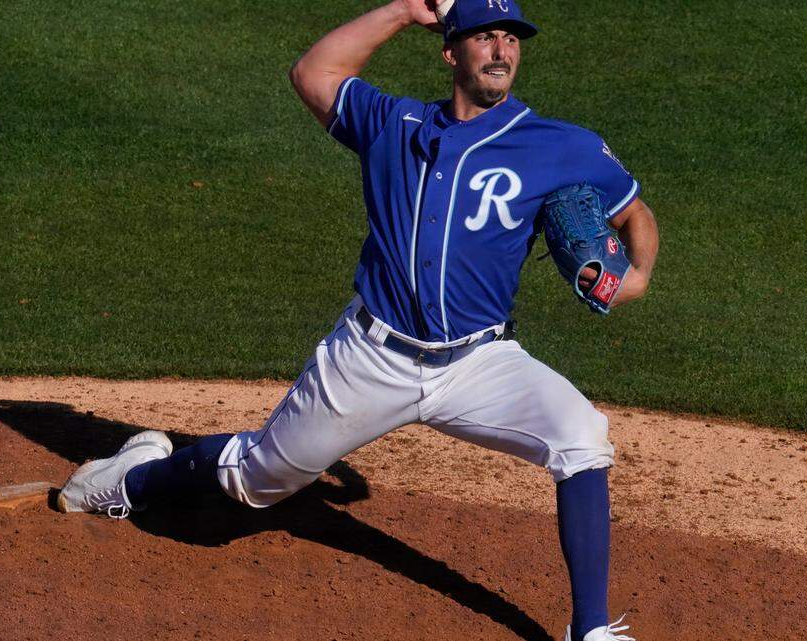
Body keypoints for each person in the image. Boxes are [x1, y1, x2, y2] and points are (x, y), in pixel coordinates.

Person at [57, 1, 659, 639]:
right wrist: (402, 10)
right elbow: (313, 73)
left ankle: (589, 630)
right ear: (451, 51)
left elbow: (634, 215)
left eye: (511, 38)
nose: (501, 51)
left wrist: (635, 279)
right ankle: (134, 477)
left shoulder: (562, 145)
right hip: (371, 359)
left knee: (582, 436)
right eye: (484, 37)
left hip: (480, 362)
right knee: (256, 480)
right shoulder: (391, 123)